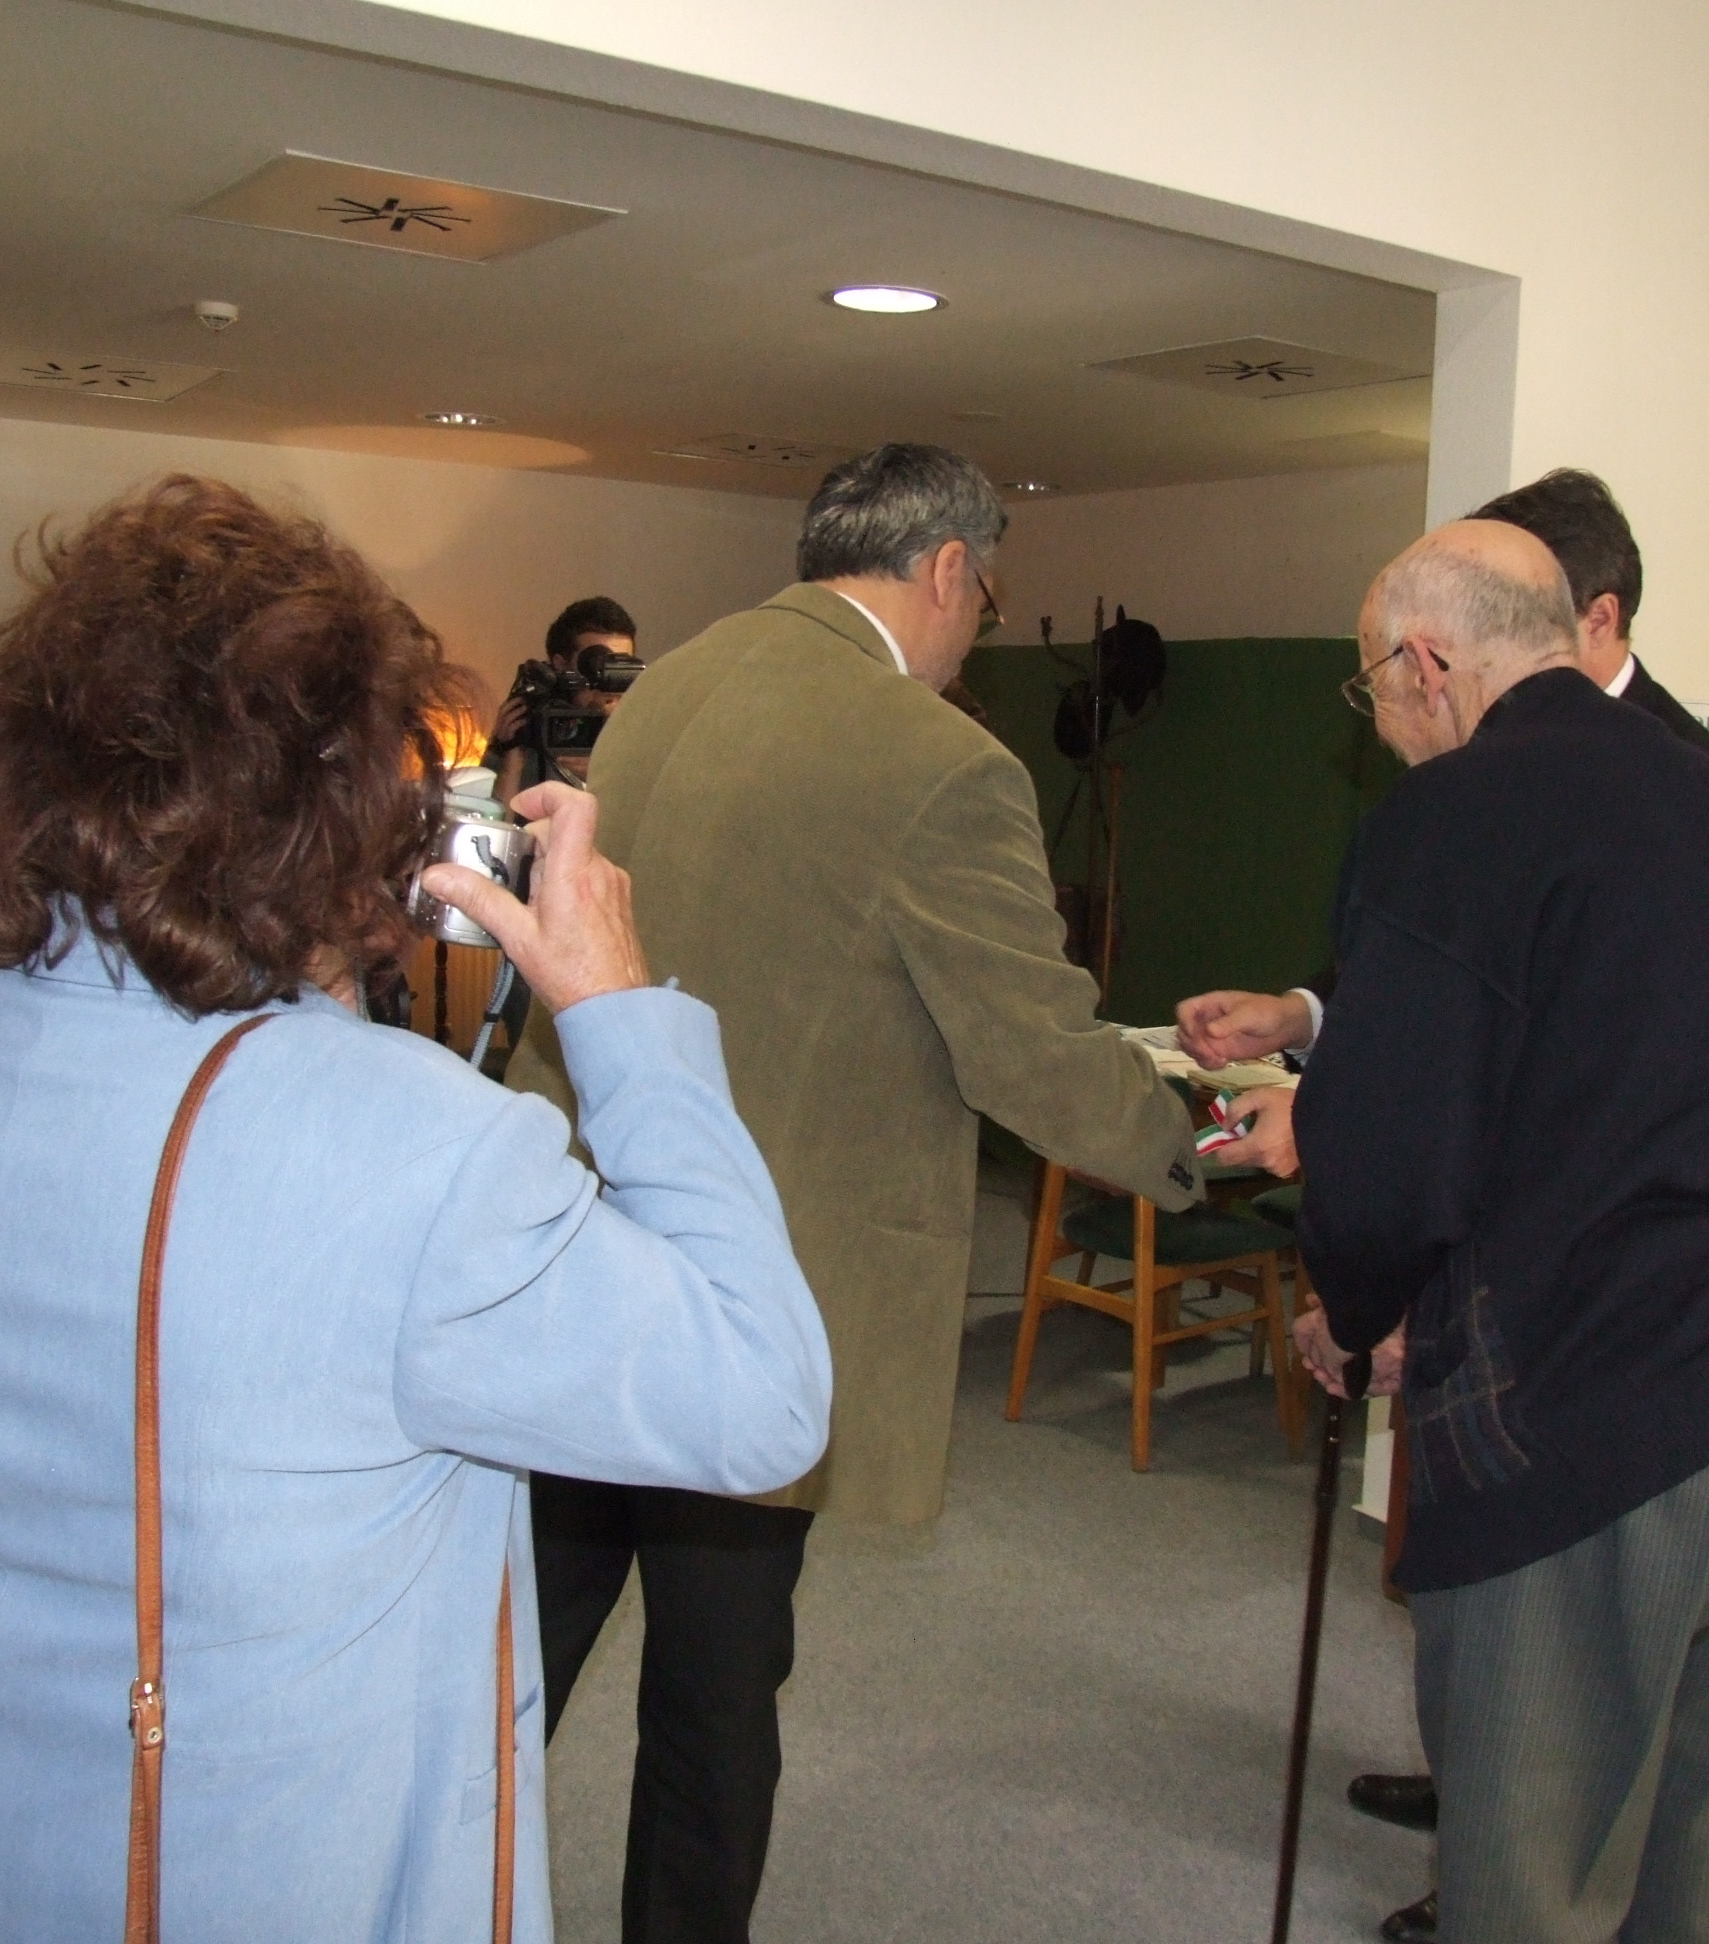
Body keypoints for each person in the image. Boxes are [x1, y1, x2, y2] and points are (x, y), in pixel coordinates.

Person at [0, 477, 831, 1944]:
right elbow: (764, 1398)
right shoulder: (418, 1145)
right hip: (243, 1869)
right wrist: (619, 1012)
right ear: (342, 809)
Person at [506, 442, 1198, 1944]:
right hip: (754, 1285)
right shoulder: (943, 762)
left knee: (517, 1657)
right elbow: (1033, 1055)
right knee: (713, 1700)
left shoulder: (663, 690)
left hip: (579, 1259)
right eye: (986, 600)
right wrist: (1190, 1141)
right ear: (948, 568)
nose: (977, 634)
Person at [1276, 520, 1709, 1944]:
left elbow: (1384, 1154)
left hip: (1620, 1426)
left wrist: (1362, 1312)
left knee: (1535, 1889)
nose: (1380, 726)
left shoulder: (1451, 816)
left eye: (1371, 689)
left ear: (1427, 664)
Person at [1472, 467, 1709, 786]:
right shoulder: (1481, 730)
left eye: (1517, 617)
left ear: (1599, 621)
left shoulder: (1696, 776)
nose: (1487, 642)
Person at [491, 594, 639, 798]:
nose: (609, 678)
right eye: (596, 663)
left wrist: (608, 772)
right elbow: (495, 815)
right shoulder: (532, 725)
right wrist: (510, 762)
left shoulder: (644, 733)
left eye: (622, 666)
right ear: (561, 665)